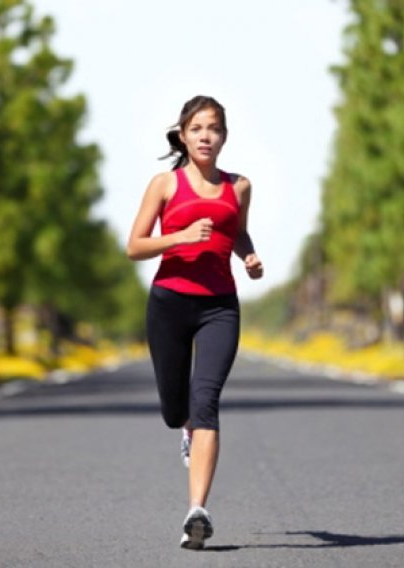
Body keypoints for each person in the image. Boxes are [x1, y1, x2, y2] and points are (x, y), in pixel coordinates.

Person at [126, 95, 263, 550]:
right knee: (174, 409)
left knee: (206, 400)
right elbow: (135, 245)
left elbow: (236, 228)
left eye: (215, 129)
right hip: (169, 303)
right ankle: (184, 427)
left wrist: (248, 254)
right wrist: (179, 237)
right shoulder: (164, 184)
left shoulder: (238, 186)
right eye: (198, 128)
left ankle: (196, 512)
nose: (207, 136)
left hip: (219, 306)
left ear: (224, 136)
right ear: (183, 135)